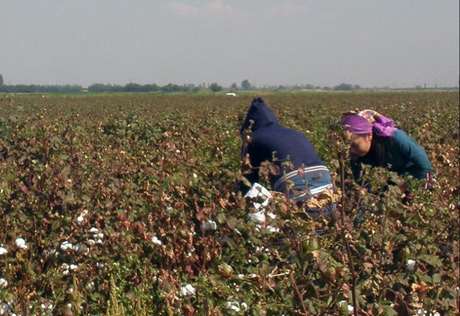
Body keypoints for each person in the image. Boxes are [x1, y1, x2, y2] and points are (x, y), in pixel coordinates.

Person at [239, 98, 334, 211]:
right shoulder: (294, 133)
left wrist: (240, 203)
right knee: (327, 218)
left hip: (295, 182)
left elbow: (249, 180)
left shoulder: (252, 139)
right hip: (324, 177)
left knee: (300, 222)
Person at [341, 110, 432, 190]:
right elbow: (361, 182)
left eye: (354, 145)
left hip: (416, 179)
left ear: (369, 136)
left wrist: (406, 190)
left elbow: (425, 166)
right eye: (346, 146)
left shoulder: (395, 138)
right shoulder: (355, 156)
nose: (351, 150)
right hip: (390, 188)